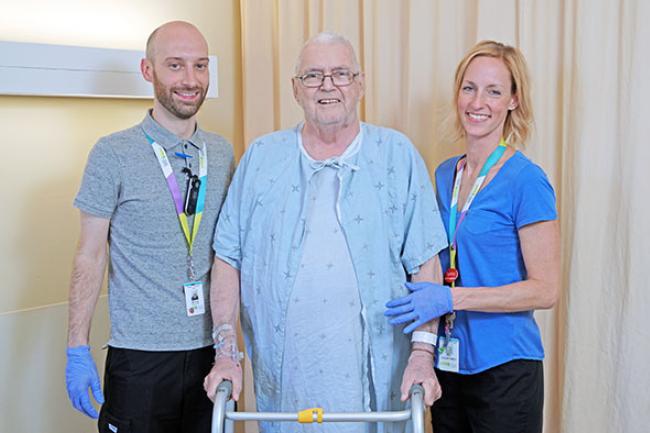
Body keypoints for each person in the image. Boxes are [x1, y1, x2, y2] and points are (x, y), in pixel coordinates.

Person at [203, 32, 448, 433]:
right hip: (287, 387)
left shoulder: (395, 154)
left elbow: (425, 262)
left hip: (377, 388)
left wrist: (422, 354)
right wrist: (225, 351)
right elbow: (228, 257)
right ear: (295, 89)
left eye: (341, 74)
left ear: (360, 84)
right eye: (313, 76)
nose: (328, 85)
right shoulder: (262, 159)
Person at [65, 21, 234, 433]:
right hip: (138, 359)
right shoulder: (113, 154)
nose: (190, 80)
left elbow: (232, 253)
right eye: (175, 66)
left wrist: (232, 348)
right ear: (147, 70)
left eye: (199, 66)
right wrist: (77, 347)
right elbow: (90, 254)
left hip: (211, 356)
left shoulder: (223, 152)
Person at [385, 40, 560, 433]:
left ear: (513, 100)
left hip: (505, 370)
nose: (478, 101)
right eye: (469, 88)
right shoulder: (445, 174)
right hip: (448, 366)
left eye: (494, 91)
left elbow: (545, 290)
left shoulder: (526, 180)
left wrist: (451, 297)